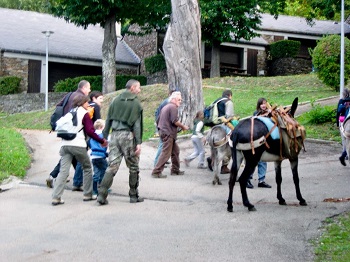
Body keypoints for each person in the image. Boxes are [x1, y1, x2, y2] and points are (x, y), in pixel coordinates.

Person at [51, 94, 108, 205]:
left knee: (63, 171)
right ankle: (88, 194)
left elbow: (58, 125)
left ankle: (56, 196)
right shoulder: (84, 114)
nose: (88, 104)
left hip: (65, 145)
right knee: (86, 167)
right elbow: (90, 131)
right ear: (82, 103)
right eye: (86, 102)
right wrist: (102, 141)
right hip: (78, 144)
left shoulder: (70, 112)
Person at [97, 79, 143, 205]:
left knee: (112, 166)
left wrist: (104, 137)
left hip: (114, 135)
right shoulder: (136, 103)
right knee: (133, 166)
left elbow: (108, 119)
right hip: (128, 136)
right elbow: (137, 124)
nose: (140, 90)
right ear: (132, 88)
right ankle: (133, 195)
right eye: (138, 87)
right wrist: (138, 142)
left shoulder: (114, 100)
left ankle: (101, 195)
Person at [46, 80, 92, 188]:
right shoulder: (81, 99)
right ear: (84, 88)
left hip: (65, 130)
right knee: (76, 155)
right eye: (88, 88)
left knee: (70, 155)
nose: (89, 90)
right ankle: (79, 182)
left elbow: (58, 106)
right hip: (76, 132)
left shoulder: (69, 95)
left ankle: (71, 179)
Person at [151, 91, 189, 178]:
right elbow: (174, 121)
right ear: (174, 99)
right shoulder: (173, 107)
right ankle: (156, 172)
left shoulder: (166, 107)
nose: (180, 101)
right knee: (166, 153)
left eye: (181, 100)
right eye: (179, 100)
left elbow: (158, 119)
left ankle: (175, 170)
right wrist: (183, 127)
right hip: (168, 133)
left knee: (175, 151)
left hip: (165, 132)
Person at [71, 90, 104, 190]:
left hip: (80, 135)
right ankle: (98, 182)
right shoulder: (95, 106)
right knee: (97, 157)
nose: (102, 101)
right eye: (100, 98)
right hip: (91, 135)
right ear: (94, 98)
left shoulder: (78, 109)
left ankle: (77, 182)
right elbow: (98, 122)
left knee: (81, 159)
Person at [207, 89, 234, 174]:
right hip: (224, 124)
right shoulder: (228, 102)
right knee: (231, 143)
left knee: (214, 147)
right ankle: (224, 166)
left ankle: (212, 158)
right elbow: (229, 115)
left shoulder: (216, 101)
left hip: (215, 125)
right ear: (230, 95)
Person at [246, 97, 271, 189]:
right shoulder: (255, 113)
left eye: (265, 103)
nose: (263, 105)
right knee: (253, 160)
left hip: (265, 140)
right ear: (259, 105)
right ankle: (247, 178)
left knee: (263, 160)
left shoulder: (270, 113)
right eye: (262, 104)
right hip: (256, 140)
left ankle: (261, 180)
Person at [153, 90, 174, 166]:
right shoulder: (167, 103)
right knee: (162, 144)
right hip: (162, 126)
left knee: (165, 144)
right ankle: (157, 163)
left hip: (162, 125)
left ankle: (162, 159)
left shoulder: (167, 102)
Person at [88, 119, 108, 198]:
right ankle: (103, 187)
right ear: (101, 127)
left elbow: (89, 143)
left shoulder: (93, 136)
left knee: (96, 173)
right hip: (101, 156)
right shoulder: (103, 135)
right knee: (105, 171)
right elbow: (106, 144)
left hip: (93, 156)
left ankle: (94, 191)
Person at [337, 88, 350, 166]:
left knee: (345, 140)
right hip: (345, 121)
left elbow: (338, 112)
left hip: (343, 121)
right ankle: (344, 155)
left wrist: (337, 124)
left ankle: (343, 155)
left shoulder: (342, 101)